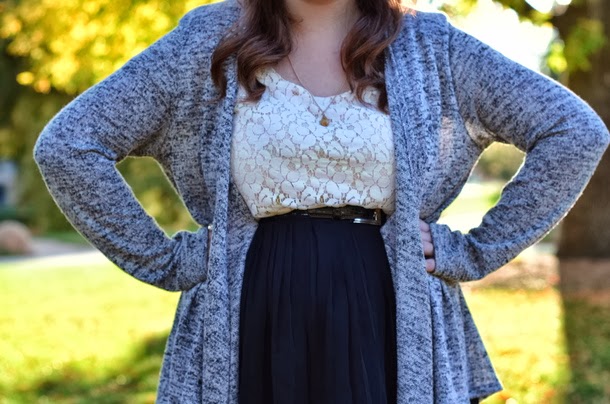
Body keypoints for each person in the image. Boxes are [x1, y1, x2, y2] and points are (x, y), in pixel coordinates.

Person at [32, 0, 609, 402]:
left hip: (387, 296)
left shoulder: (430, 45)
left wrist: (476, 251)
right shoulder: (209, 40)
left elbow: (573, 131)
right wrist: (166, 261)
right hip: (253, 297)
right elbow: (69, 145)